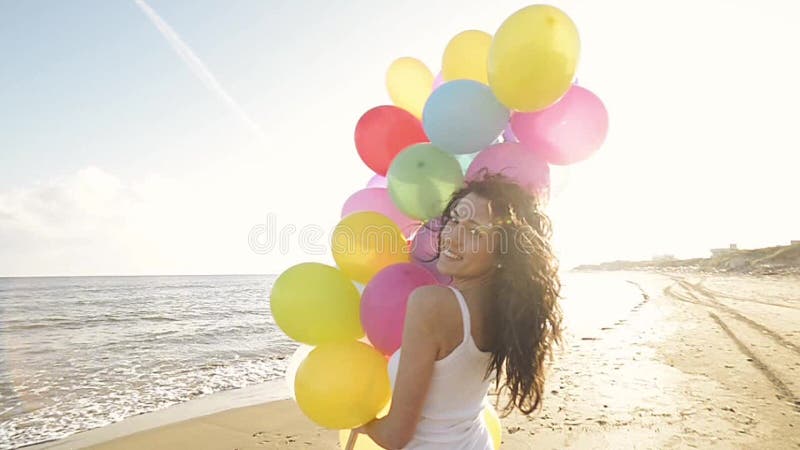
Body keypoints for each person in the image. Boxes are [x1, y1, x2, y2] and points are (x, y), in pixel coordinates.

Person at [353, 173, 563, 449]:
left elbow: (395, 436)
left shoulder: (433, 304)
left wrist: (363, 421)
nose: (452, 237)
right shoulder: (506, 311)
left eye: (474, 231)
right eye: (454, 221)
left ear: (503, 250)